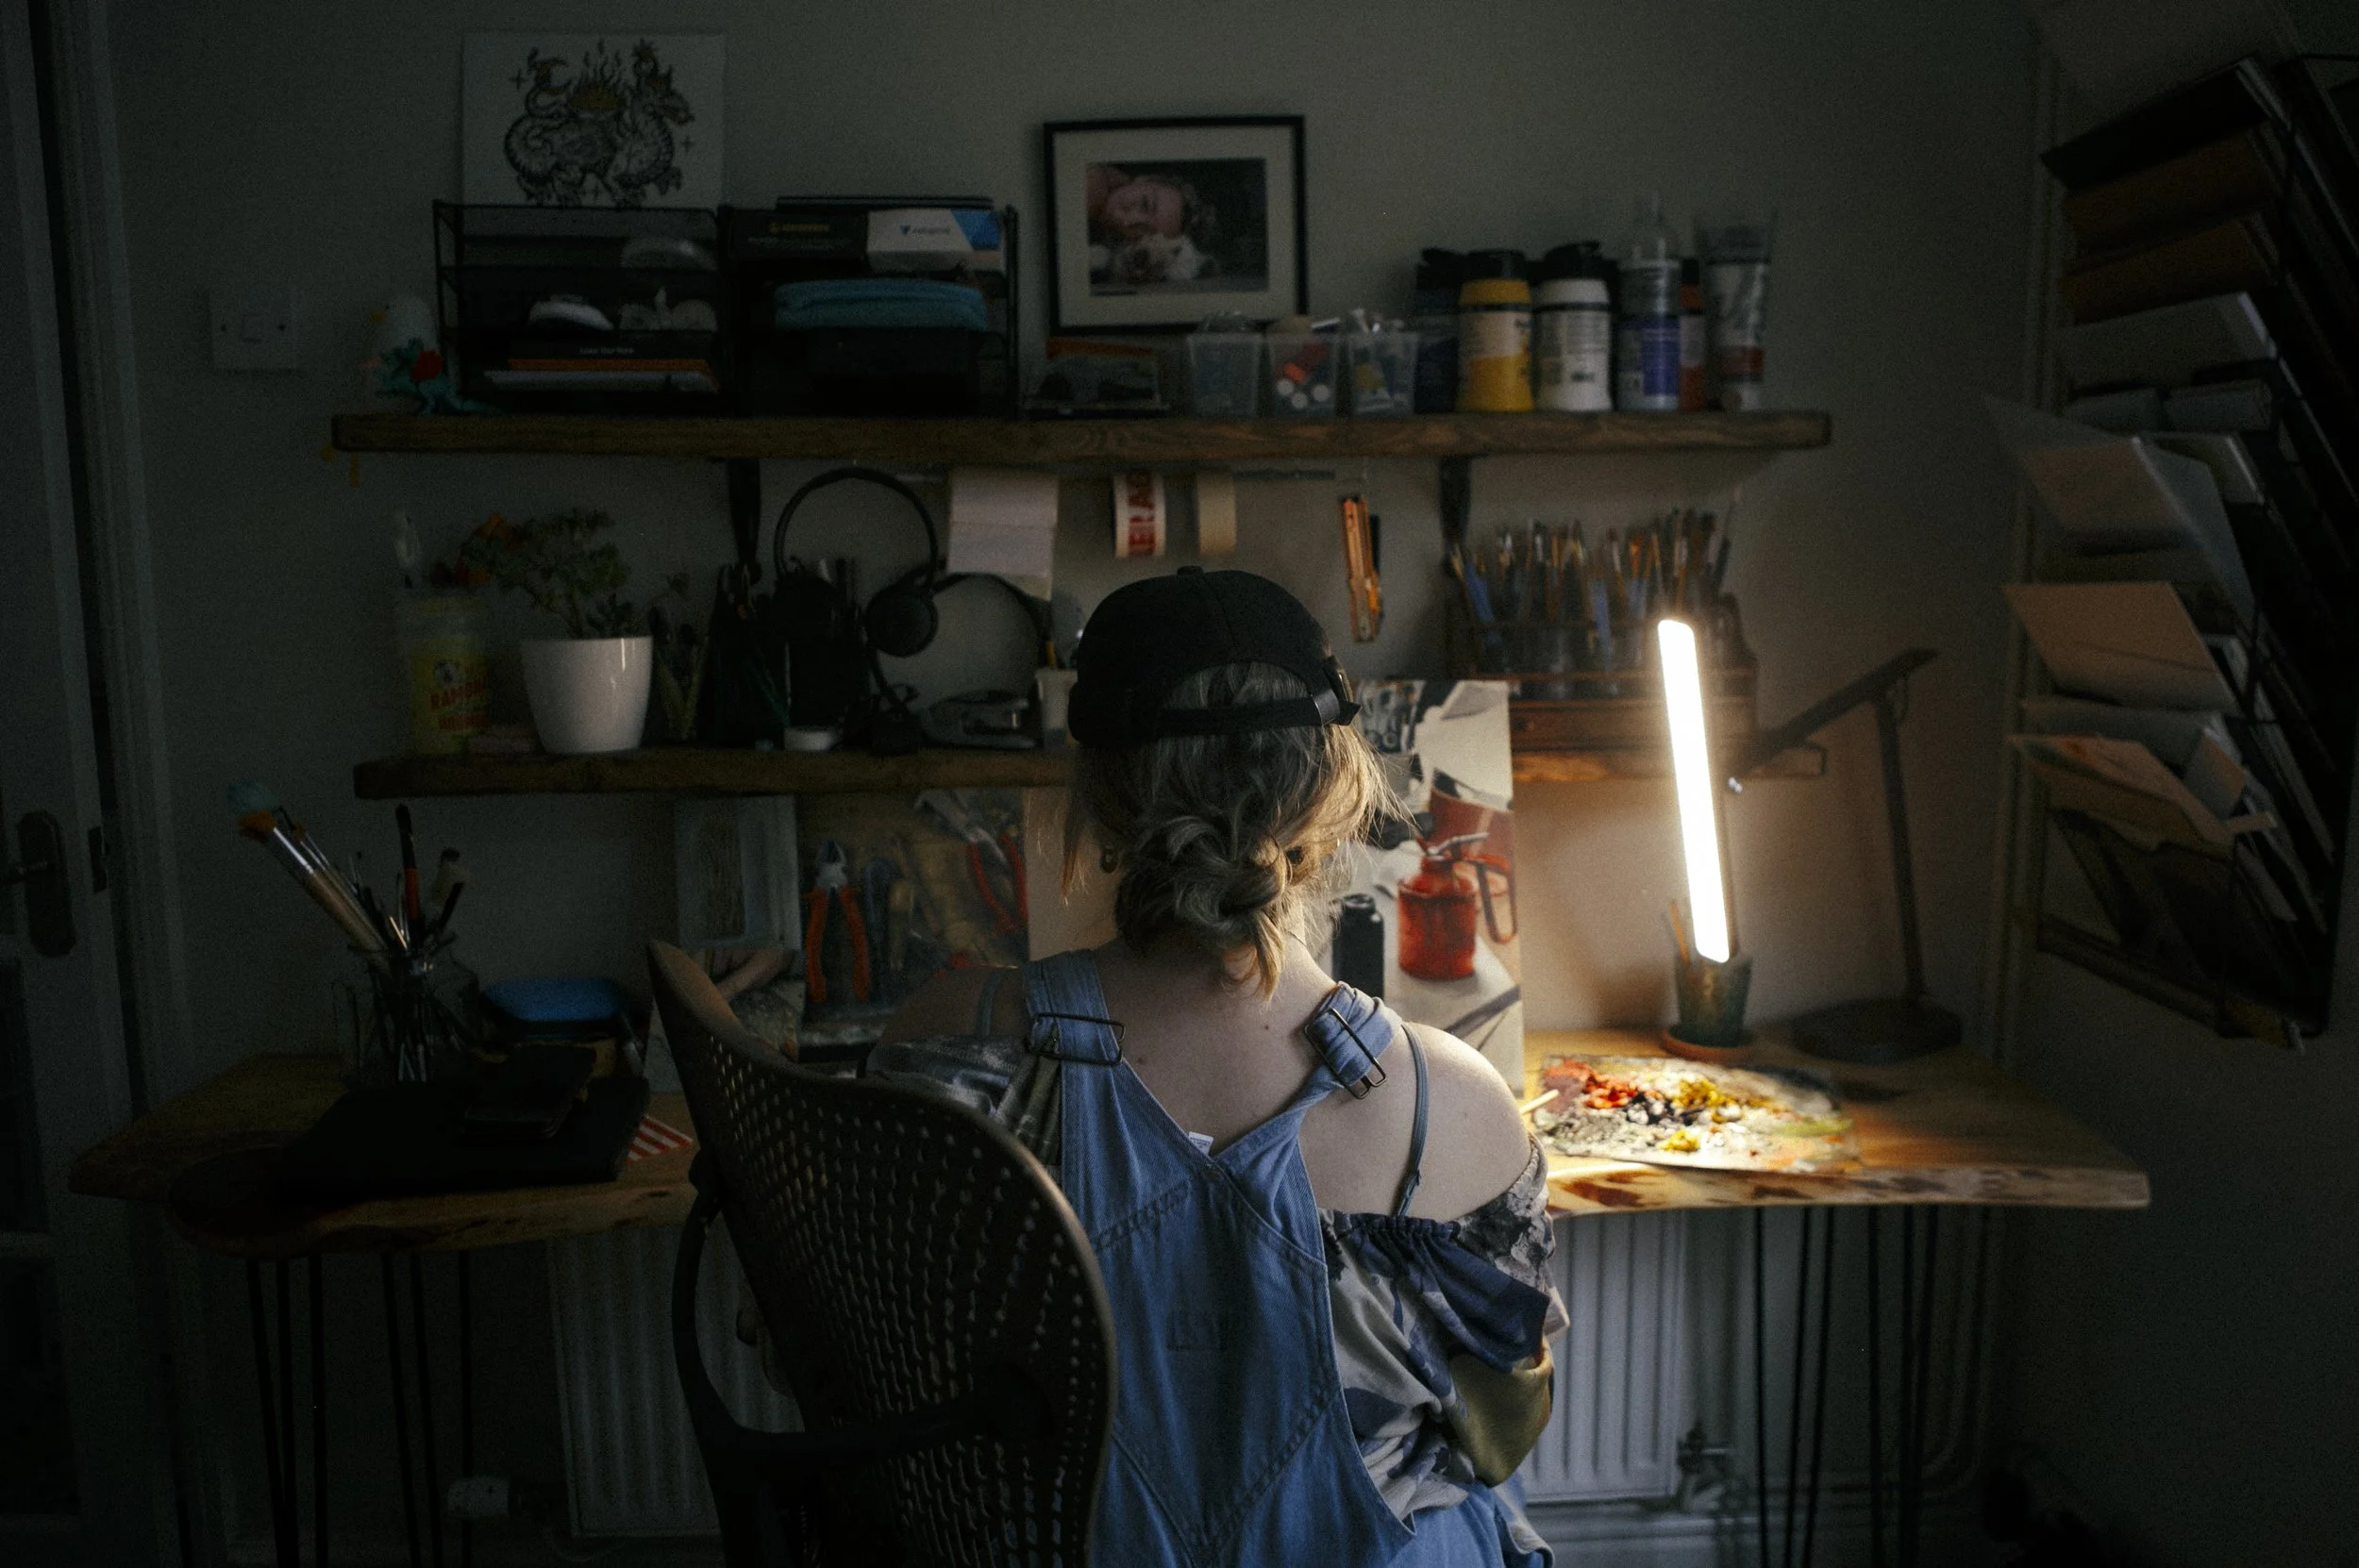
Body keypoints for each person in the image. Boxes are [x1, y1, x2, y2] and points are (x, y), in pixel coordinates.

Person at [866, 569, 1565, 1565]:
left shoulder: (950, 1043)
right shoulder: (1450, 1107)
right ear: (1332, 790)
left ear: (1099, 797)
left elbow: (869, 1375)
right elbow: (1501, 1433)